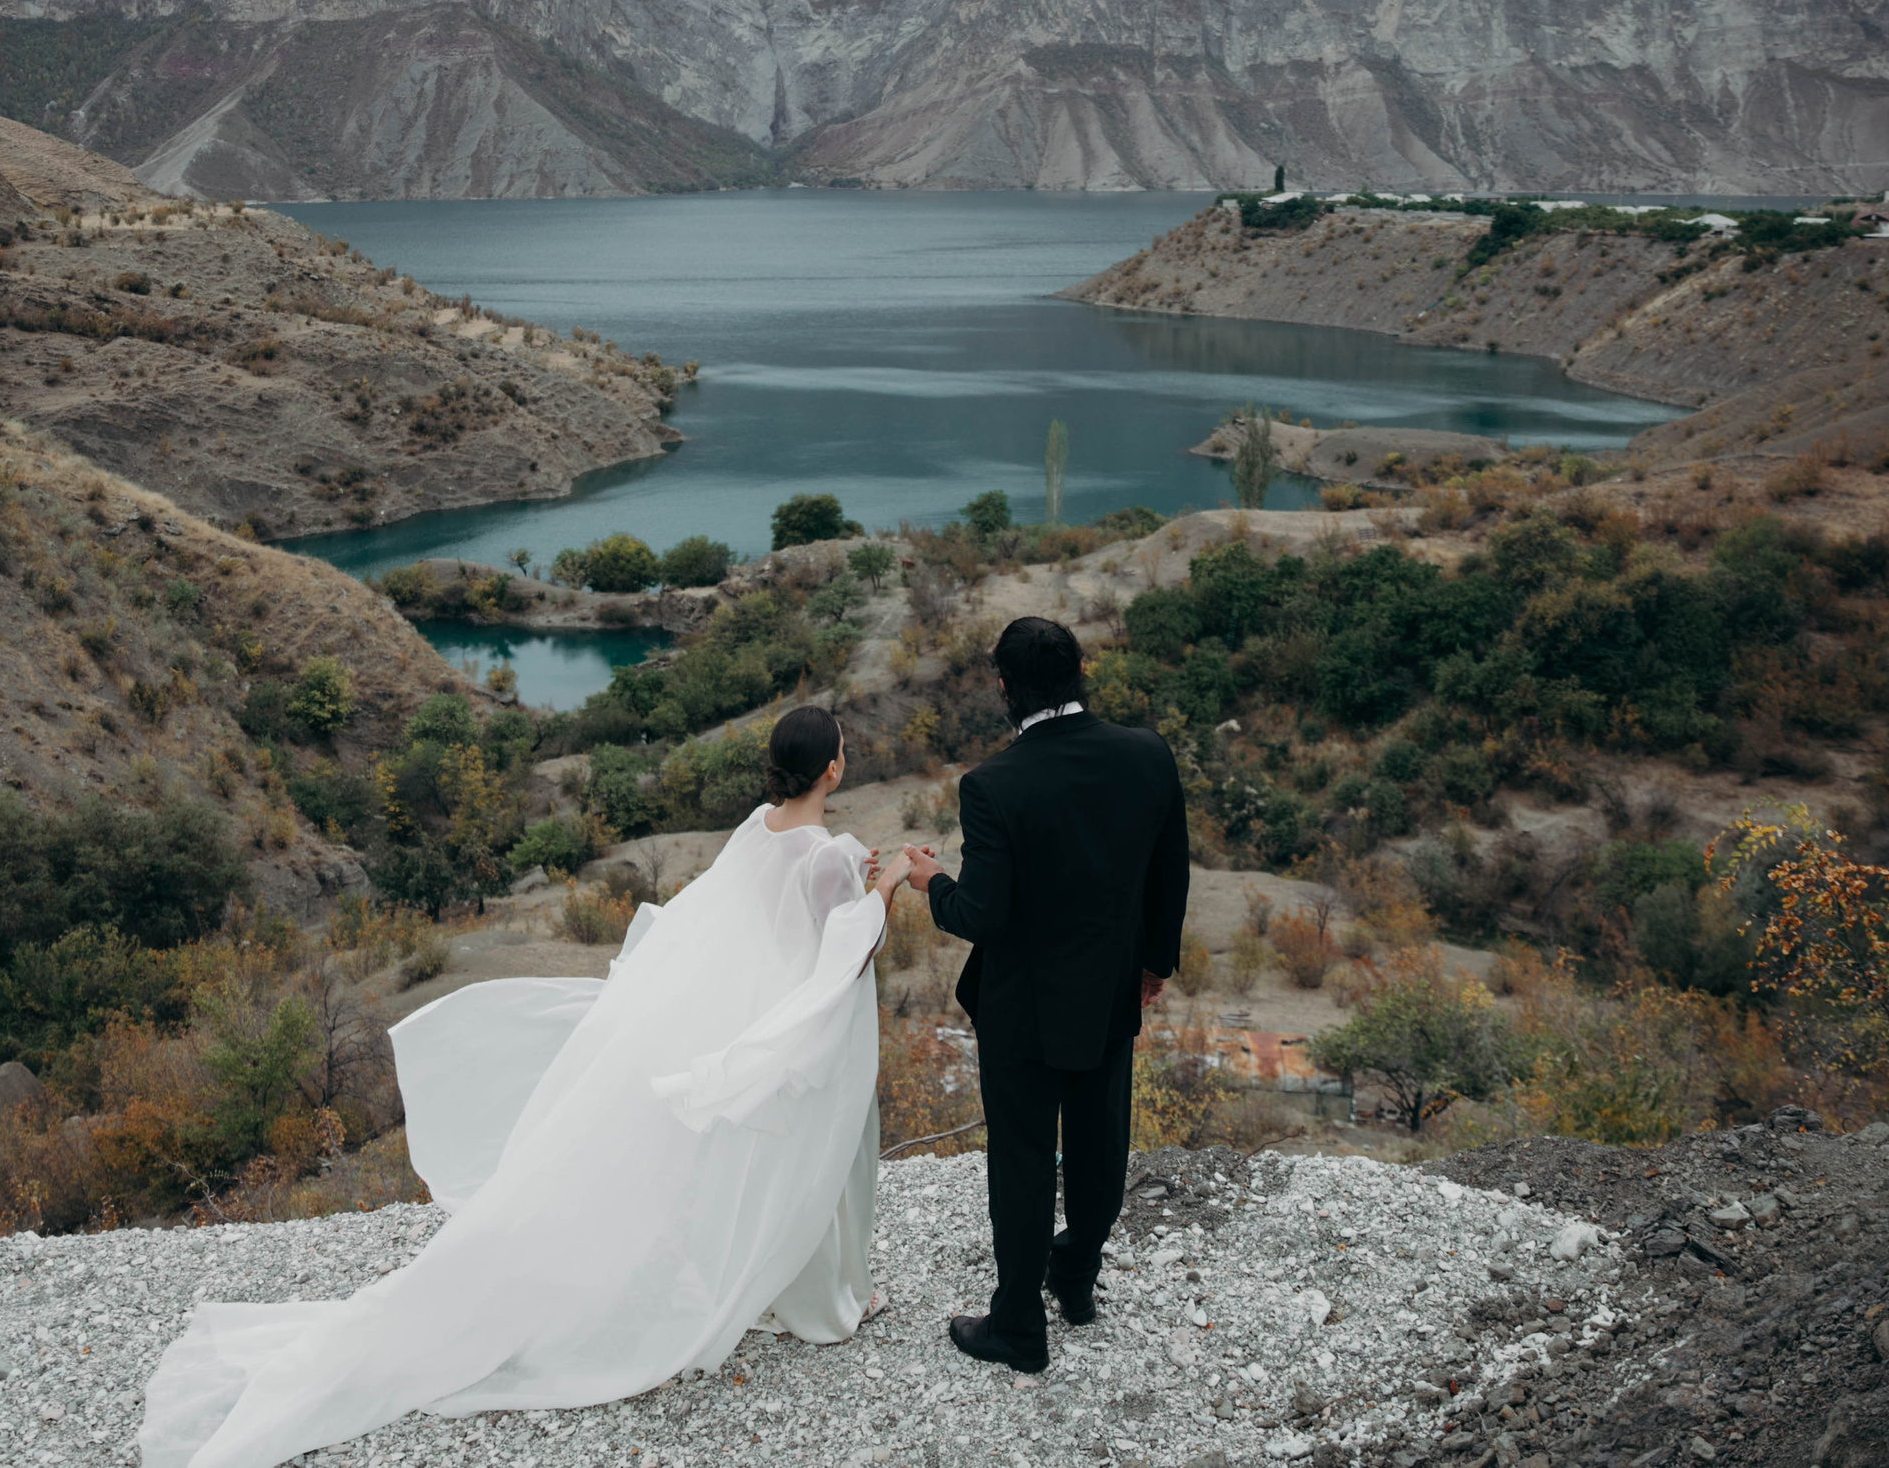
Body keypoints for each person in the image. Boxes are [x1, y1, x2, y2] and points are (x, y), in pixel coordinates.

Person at [137, 705, 908, 1468]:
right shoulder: (828, 854)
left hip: (747, 1011)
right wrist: (890, 882)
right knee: (814, 1155)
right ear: (833, 767)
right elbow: (847, 952)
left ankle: (780, 1285)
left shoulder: (758, 827)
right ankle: (825, 1300)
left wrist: (853, 878)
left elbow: (751, 911)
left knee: (773, 1162)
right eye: (843, 747)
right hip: (786, 1025)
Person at [886, 616, 1188, 1373]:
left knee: (1022, 1161)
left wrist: (932, 880)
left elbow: (980, 914)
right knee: (1099, 1143)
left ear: (1004, 687)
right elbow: (1170, 870)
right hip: (1111, 991)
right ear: (1081, 669)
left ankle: (1019, 1327)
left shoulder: (994, 784)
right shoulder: (1147, 754)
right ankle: (1076, 1276)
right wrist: (1155, 964)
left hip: (1021, 1008)